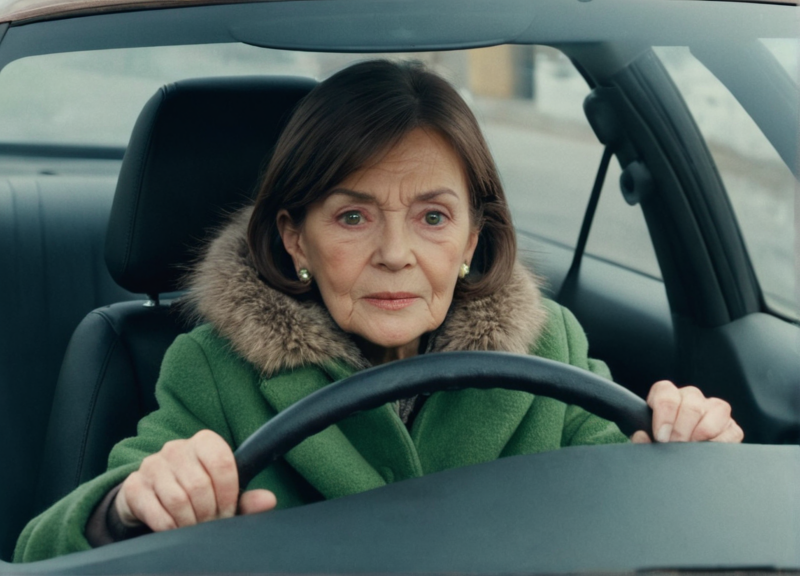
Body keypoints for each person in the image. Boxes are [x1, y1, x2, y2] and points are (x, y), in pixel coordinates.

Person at [14, 59, 743, 562]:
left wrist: (683, 454)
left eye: (433, 217)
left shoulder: (551, 346)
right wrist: (133, 505)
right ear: (295, 237)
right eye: (353, 217)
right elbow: (44, 550)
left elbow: (627, 504)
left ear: (472, 239)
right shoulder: (211, 369)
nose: (396, 254)